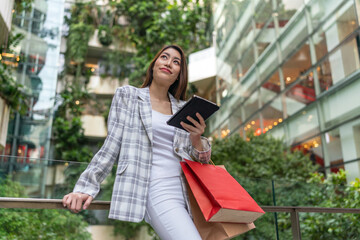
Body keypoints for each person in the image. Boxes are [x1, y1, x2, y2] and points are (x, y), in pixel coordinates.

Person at [62, 44, 212, 240]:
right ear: (153, 65)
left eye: (176, 62)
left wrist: (196, 138)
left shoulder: (183, 109)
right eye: (164, 57)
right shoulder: (128, 96)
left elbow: (202, 163)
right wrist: (85, 188)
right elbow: (111, 145)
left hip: (189, 195)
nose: (169, 63)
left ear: (179, 75)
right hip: (156, 189)